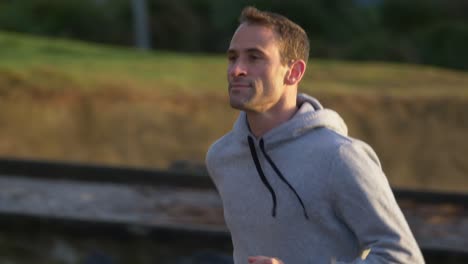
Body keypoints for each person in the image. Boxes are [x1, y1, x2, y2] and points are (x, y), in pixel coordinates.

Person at [205, 6, 424, 264]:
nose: (236, 70)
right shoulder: (222, 157)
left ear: (294, 72)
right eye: (232, 58)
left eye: (254, 58)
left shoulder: (340, 157)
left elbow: (403, 257)